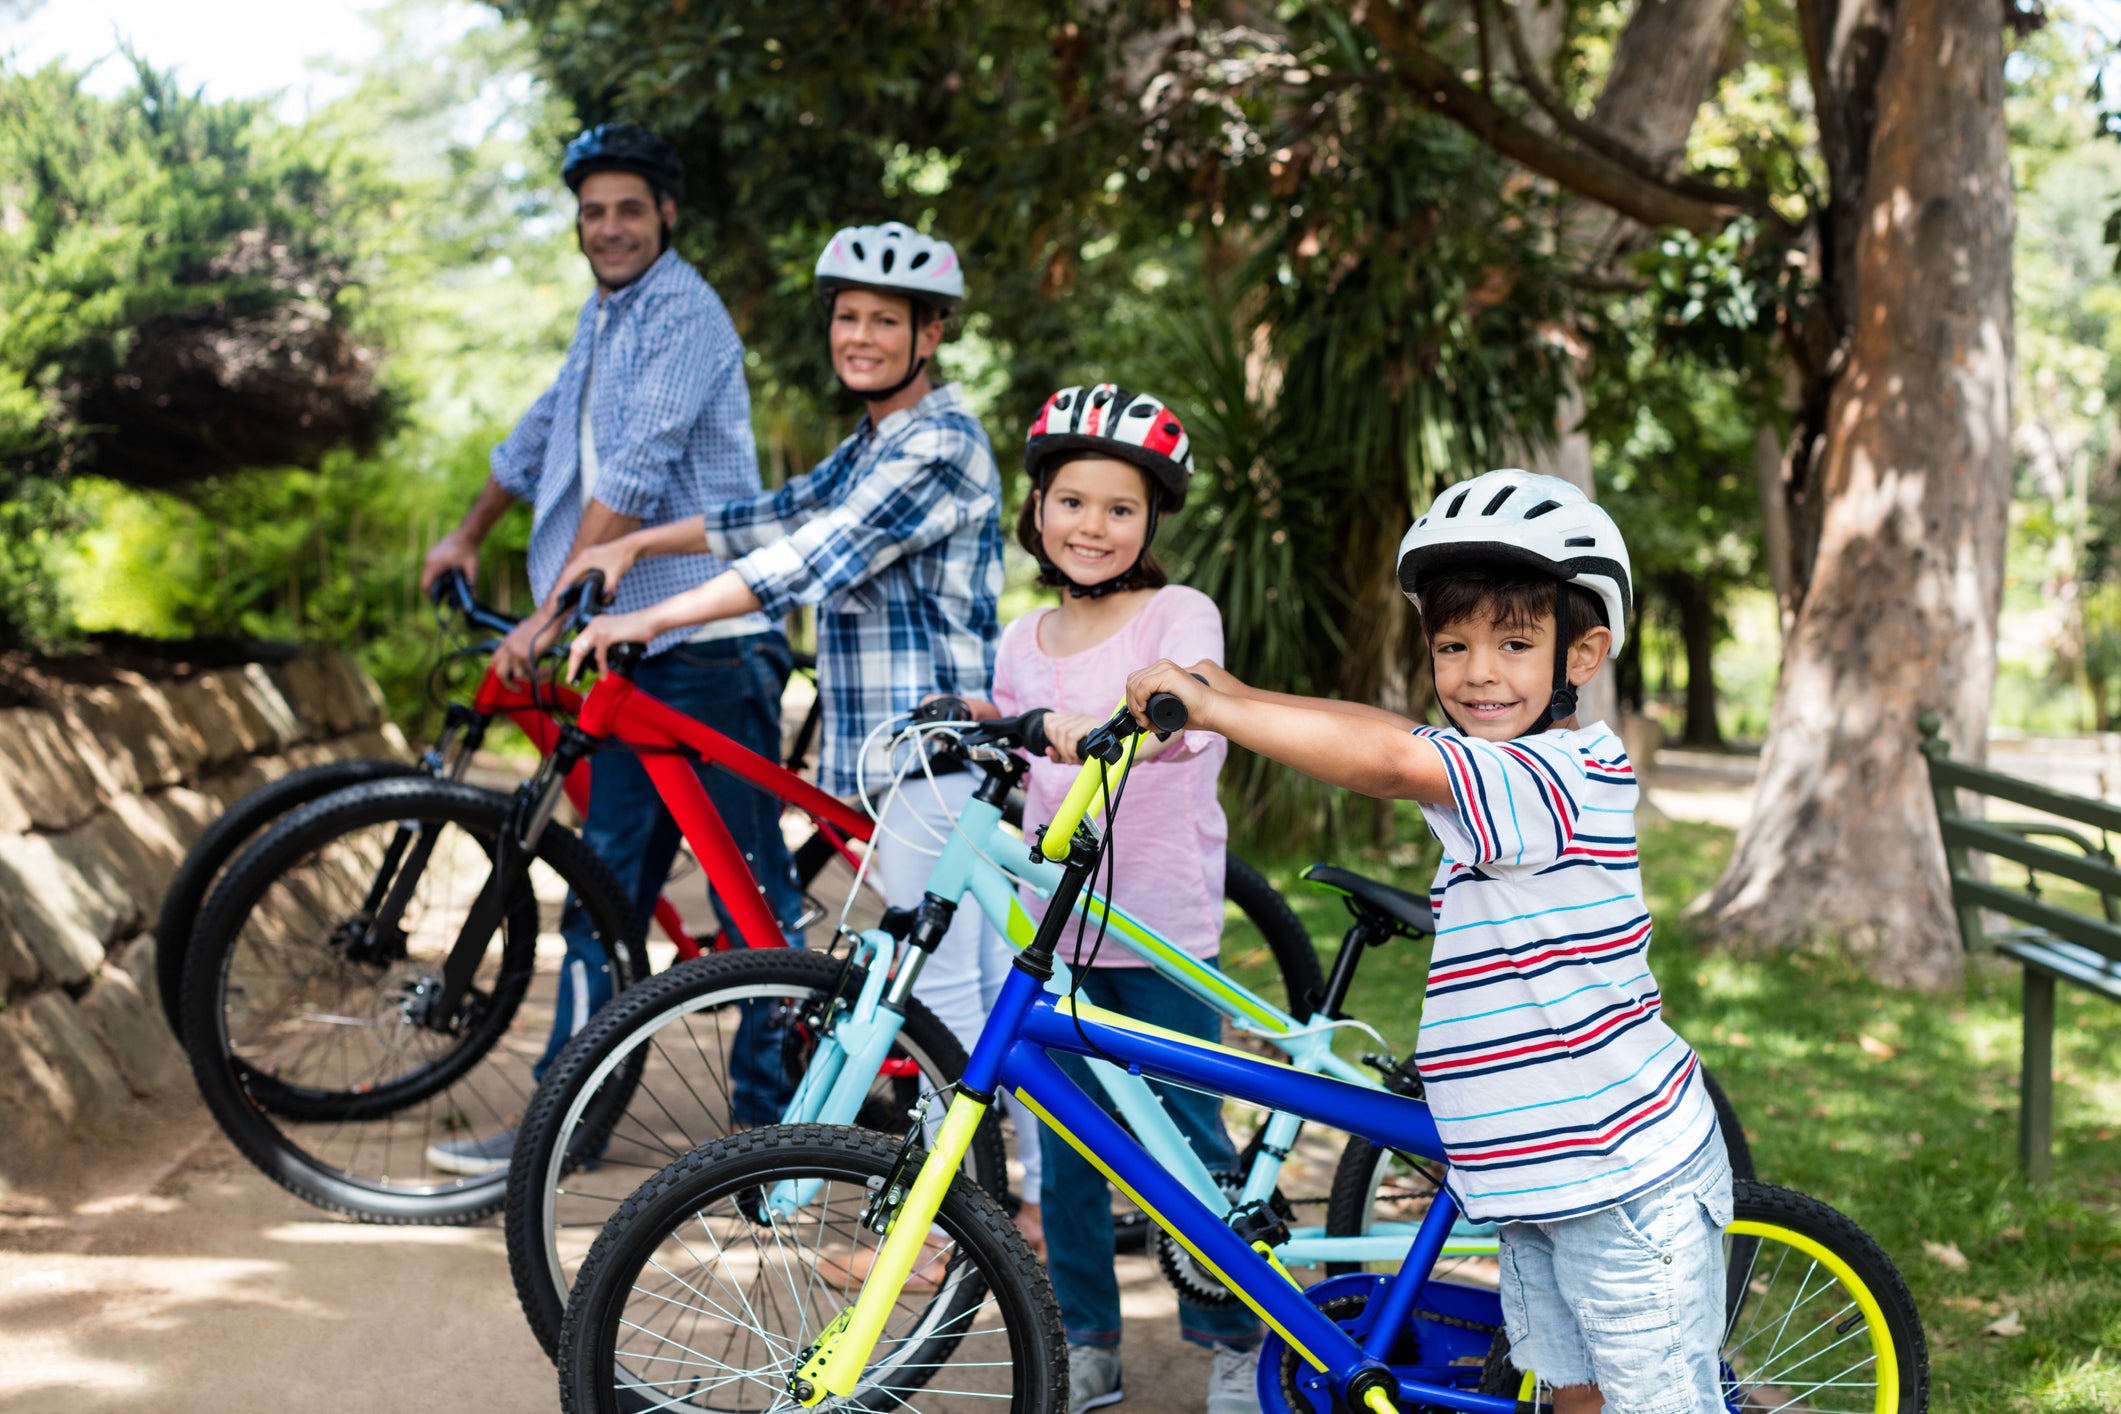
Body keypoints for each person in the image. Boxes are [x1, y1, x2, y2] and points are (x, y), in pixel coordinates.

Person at [1125, 470, 1732, 1414]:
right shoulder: (1495, 764)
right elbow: (1390, 730)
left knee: (1654, 1404)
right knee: (1569, 1394)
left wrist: (1223, 715)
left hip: (1619, 1186)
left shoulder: (1559, 777)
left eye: (1515, 644)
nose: (1478, 672)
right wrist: (1238, 688)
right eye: (1452, 644)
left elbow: (1393, 761)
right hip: (1531, 1183)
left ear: (1586, 651)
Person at [557, 221, 1021, 1177]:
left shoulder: (936, 443)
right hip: (898, 763)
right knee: (958, 993)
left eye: (883, 321)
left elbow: (807, 559)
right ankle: (998, 1215)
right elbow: (768, 514)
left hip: (934, 763)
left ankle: (961, 1225)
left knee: (948, 1003)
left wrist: (646, 619)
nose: (859, 335)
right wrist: (633, 546)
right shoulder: (872, 442)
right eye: (847, 317)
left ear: (928, 335)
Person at [417, 123, 804, 1174]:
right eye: (594, 212)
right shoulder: (606, 316)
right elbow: (538, 437)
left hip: (711, 645)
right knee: (604, 892)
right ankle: (564, 1128)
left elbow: (635, 470)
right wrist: (469, 529)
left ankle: (775, 1138)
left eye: (630, 208)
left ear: (665, 213)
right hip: (631, 658)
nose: (610, 227)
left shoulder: (683, 311)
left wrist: (550, 606)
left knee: (748, 900)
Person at [968, 384, 1262, 1414]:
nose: (1094, 525)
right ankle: (1084, 1333)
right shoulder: (1019, 637)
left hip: (1160, 924)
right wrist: (991, 727)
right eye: (1074, 502)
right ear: (1039, 510)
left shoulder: (1175, 615)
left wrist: (1155, 703)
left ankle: (1234, 1331)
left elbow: (1192, 701)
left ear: (1151, 521)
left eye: (1121, 508)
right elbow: (1019, 755)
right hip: (1055, 929)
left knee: (1188, 1137)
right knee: (1069, 1151)